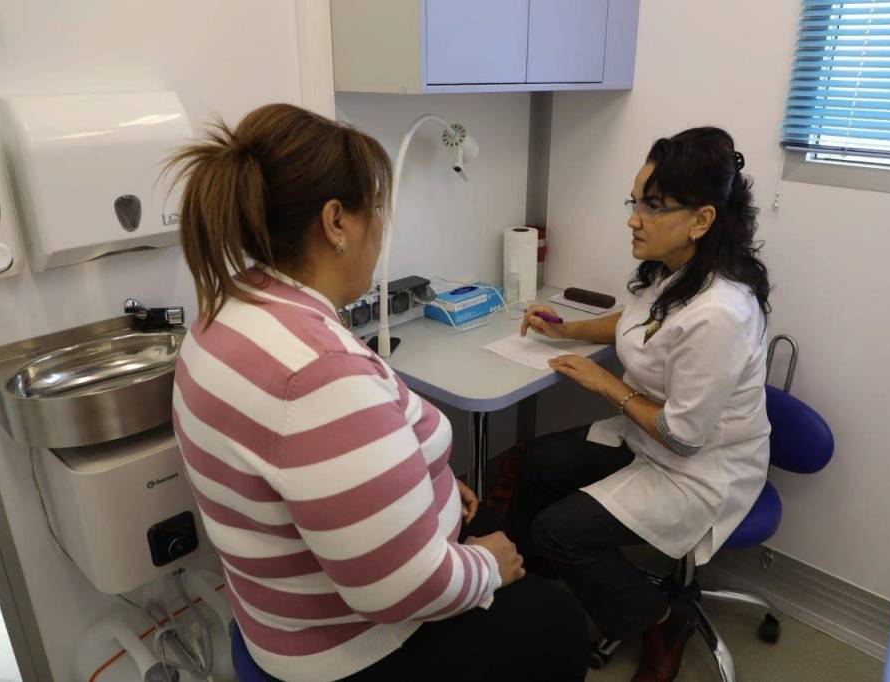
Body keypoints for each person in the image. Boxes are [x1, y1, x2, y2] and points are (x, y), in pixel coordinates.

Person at [167, 103, 588, 682]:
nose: (383, 229)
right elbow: (399, 591)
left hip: (274, 614)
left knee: (498, 521)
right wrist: (487, 569)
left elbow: (323, 469)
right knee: (559, 623)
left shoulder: (223, 313)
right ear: (336, 222)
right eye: (379, 210)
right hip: (353, 647)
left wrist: (424, 478)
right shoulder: (319, 374)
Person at [510, 127, 772, 682]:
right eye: (634, 202)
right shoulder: (674, 271)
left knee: (559, 529)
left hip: (701, 466)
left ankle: (662, 622)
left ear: (701, 220)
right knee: (538, 462)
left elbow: (682, 437)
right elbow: (636, 323)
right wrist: (564, 329)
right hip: (649, 434)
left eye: (652, 207)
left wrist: (606, 385)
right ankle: (527, 584)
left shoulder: (721, 313)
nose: (634, 219)